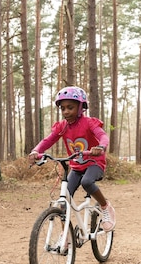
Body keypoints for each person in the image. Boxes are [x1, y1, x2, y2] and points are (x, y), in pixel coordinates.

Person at [28, 86, 116, 231]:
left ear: (81, 107)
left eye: (70, 107)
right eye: (62, 108)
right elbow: (48, 140)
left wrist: (100, 147)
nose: (66, 111)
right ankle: (66, 236)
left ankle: (105, 206)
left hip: (94, 163)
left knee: (87, 182)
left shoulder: (89, 123)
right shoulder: (62, 127)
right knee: (63, 201)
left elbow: (103, 136)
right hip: (76, 167)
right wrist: (36, 151)